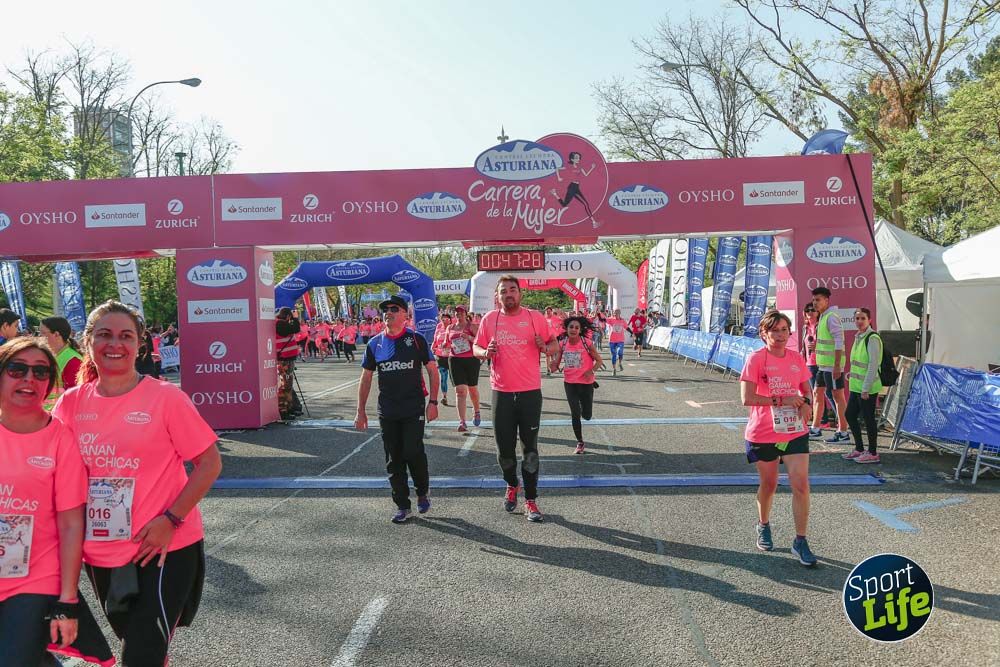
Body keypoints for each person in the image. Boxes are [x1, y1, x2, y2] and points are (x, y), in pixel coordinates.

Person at [53, 300, 222, 666]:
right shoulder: (69, 404)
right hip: (100, 552)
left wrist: (171, 520)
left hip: (164, 547)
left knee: (142, 654)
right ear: (88, 343)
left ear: (140, 344)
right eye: (105, 335)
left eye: (126, 336)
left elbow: (209, 463)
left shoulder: (165, 398)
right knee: (139, 643)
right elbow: (53, 473)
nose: (115, 344)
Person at [0, 337, 114, 667]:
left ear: (50, 383)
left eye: (40, 372)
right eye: (17, 369)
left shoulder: (60, 438)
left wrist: (67, 600)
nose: (28, 379)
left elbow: (70, 522)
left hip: (34, 579)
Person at [474, 276, 557, 522]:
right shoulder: (490, 319)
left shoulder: (535, 318)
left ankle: (531, 501)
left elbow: (554, 345)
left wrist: (546, 347)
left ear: (520, 294)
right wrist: (484, 353)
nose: (508, 294)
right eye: (503, 291)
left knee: (530, 451)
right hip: (501, 392)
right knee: (505, 453)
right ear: (497, 296)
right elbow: (476, 348)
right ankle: (512, 484)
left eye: (512, 290)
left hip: (530, 393)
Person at [739, 311, 817, 566]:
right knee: (770, 484)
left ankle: (800, 540)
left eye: (785, 330)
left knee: (801, 485)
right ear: (764, 333)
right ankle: (763, 524)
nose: (781, 335)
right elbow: (747, 398)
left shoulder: (796, 358)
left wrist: (807, 404)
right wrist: (781, 400)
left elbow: (807, 390)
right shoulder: (756, 359)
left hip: (794, 431)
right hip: (764, 432)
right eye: (775, 330)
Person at [355, 296, 440, 523]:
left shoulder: (417, 339)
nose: (388, 312)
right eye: (385, 310)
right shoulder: (375, 344)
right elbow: (365, 379)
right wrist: (360, 411)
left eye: (394, 309)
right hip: (388, 410)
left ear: (405, 315)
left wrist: (433, 403)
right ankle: (403, 505)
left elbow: (432, 370)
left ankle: (422, 491)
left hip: (413, 407)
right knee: (394, 459)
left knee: (412, 451)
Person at [549, 316, 604, 454]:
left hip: (586, 383)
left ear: (580, 330)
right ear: (567, 329)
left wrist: (590, 371)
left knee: (587, 415)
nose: (573, 329)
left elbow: (598, 360)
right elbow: (555, 365)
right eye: (571, 327)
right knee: (575, 413)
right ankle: (580, 442)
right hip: (570, 383)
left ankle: (584, 409)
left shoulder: (586, 343)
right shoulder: (563, 343)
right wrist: (552, 365)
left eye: (576, 327)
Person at [809, 287, 851, 443]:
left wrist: (836, 366)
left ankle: (844, 432)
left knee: (837, 397)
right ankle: (815, 428)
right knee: (817, 393)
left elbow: (839, 342)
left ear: (827, 300)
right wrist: (817, 347)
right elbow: (829, 342)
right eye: (814, 300)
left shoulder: (831, 317)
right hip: (822, 366)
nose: (815, 303)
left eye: (818, 299)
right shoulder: (824, 316)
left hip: (832, 367)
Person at [844, 308, 883, 464]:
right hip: (856, 386)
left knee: (868, 419)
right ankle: (859, 448)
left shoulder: (872, 338)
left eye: (863, 318)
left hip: (867, 388)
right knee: (850, 415)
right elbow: (859, 363)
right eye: (857, 318)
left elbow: (873, 365)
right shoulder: (859, 336)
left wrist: (866, 388)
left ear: (869, 320)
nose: (859, 321)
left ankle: (873, 452)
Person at [448, 305, 482, 432]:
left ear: (465, 313)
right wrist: (444, 345)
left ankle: (476, 411)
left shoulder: (471, 326)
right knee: (460, 391)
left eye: (461, 312)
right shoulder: (450, 327)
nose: (458, 314)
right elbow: (447, 342)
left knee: (472, 389)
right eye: (456, 312)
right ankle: (462, 422)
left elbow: (480, 342)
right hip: (455, 360)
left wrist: (468, 338)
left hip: (471, 360)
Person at [40, 316, 85, 408]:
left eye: (43, 333)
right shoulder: (49, 355)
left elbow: (75, 397)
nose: (39, 337)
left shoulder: (73, 360)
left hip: (58, 417)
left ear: (56, 334)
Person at [275, 307, 303, 420]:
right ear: (287, 316)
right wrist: (295, 319)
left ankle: (291, 407)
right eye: (289, 318)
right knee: (285, 386)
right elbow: (295, 329)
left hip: (287, 358)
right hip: (284, 359)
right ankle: (283, 411)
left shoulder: (280, 323)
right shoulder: (280, 324)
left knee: (287, 384)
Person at [432, 313, 453, 407]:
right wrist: (433, 347)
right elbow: (435, 340)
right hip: (441, 356)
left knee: (455, 379)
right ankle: (444, 397)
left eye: (446, 319)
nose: (444, 321)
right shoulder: (439, 328)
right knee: (443, 378)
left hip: (452, 357)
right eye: (442, 319)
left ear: (450, 320)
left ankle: (462, 394)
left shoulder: (453, 328)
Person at [606, 309, 627, 375]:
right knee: (613, 355)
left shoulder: (622, 320)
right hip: (612, 340)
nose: (615, 313)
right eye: (614, 312)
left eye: (617, 312)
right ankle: (614, 369)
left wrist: (632, 333)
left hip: (620, 340)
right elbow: (602, 319)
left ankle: (620, 363)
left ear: (619, 313)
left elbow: (627, 327)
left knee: (620, 352)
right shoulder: (610, 319)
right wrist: (597, 311)